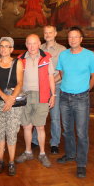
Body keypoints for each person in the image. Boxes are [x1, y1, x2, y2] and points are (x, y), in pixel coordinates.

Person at [56, 26, 94, 178]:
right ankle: (70, 154)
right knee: (67, 130)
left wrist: (86, 90)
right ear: (68, 40)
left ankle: (81, 163)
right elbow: (61, 73)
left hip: (81, 98)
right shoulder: (63, 55)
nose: (72, 39)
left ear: (81, 39)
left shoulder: (89, 55)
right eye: (70, 37)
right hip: (64, 97)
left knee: (81, 132)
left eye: (76, 37)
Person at [15, 34, 55, 168]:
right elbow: (17, 79)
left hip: (42, 95)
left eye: (34, 43)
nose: (32, 46)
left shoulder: (46, 57)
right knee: (26, 125)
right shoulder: (20, 59)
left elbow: (51, 77)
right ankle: (28, 151)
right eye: (29, 44)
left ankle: (42, 153)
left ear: (39, 44)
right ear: (26, 45)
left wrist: (53, 94)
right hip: (25, 95)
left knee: (40, 126)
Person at [0, 37, 24, 176]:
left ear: (12, 49)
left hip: (14, 104)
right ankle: (0, 160)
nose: (4, 49)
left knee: (11, 132)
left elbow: (20, 83)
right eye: (2, 46)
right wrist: (5, 98)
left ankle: (10, 161)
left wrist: (11, 99)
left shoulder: (18, 63)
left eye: (7, 46)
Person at [31, 26, 66, 154]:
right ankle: (35, 140)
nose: (48, 34)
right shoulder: (38, 48)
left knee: (55, 116)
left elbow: (63, 72)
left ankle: (54, 143)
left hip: (55, 86)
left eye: (50, 32)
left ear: (55, 34)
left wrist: (50, 83)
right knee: (38, 113)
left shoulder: (62, 50)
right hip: (40, 86)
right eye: (45, 32)